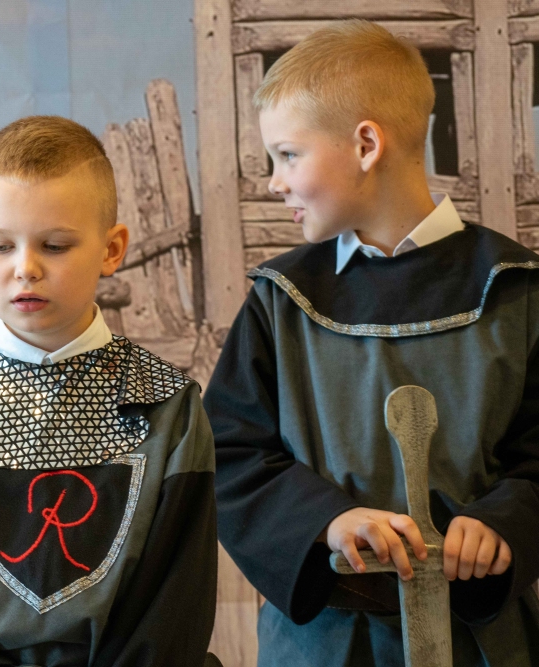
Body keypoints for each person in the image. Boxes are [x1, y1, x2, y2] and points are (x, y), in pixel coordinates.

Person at [204, 20, 539, 666]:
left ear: (365, 144)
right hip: (323, 646)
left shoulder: (515, 291)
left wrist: (503, 523)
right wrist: (325, 521)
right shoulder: (281, 300)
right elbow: (232, 454)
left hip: (482, 642)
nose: (273, 181)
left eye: (288, 155)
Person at [0, 115, 220, 666]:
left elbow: (173, 609)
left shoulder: (168, 408)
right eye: (0, 246)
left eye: (56, 245)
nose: (26, 268)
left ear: (111, 249)